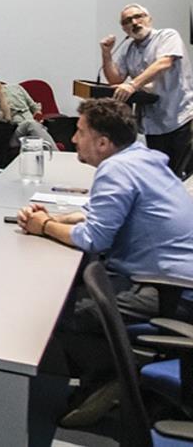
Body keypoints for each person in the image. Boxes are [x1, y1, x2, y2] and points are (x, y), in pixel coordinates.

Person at [15, 99, 193, 426]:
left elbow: (94, 238)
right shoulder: (142, 158)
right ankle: (106, 377)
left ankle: (118, 377)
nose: (72, 139)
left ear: (102, 143)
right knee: (76, 291)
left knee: (55, 315)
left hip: (170, 291)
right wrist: (58, 219)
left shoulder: (116, 168)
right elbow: (108, 213)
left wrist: (43, 227)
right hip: (172, 280)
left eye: (80, 132)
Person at [99, 3, 193, 178]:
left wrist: (132, 85)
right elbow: (115, 79)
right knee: (159, 177)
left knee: (181, 177)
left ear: (149, 19)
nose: (134, 22)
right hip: (153, 125)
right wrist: (106, 53)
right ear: (124, 28)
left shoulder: (167, 36)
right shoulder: (129, 48)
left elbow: (164, 62)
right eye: (127, 21)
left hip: (180, 119)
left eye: (138, 16)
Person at [0, 67, 57, 151]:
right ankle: (57, 156)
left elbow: (35, 107)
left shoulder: (15, 88)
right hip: (12, 134)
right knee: (30, 124)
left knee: (37, 125)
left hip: (33, 126)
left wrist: (38, 117)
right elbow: (6, 118)